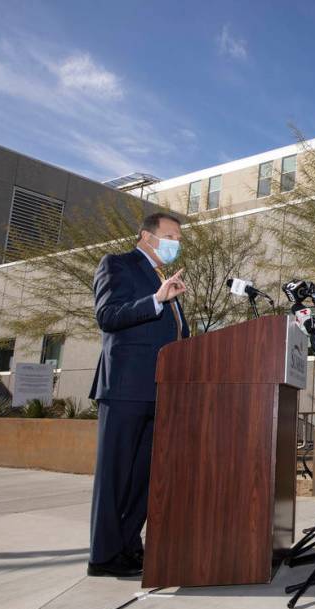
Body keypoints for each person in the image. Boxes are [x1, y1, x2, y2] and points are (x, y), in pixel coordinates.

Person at [87, 212, 189, 577]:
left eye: (179, 237)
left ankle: (129, 546)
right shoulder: (118, 265)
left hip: (161, 392)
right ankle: (103, 557)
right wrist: (156, 300)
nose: (176, 243)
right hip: (126, 389)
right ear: (147, 236)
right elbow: (108, 316)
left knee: (144, 478)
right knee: (116, 476)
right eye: (170, 236)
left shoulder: (162, 278)